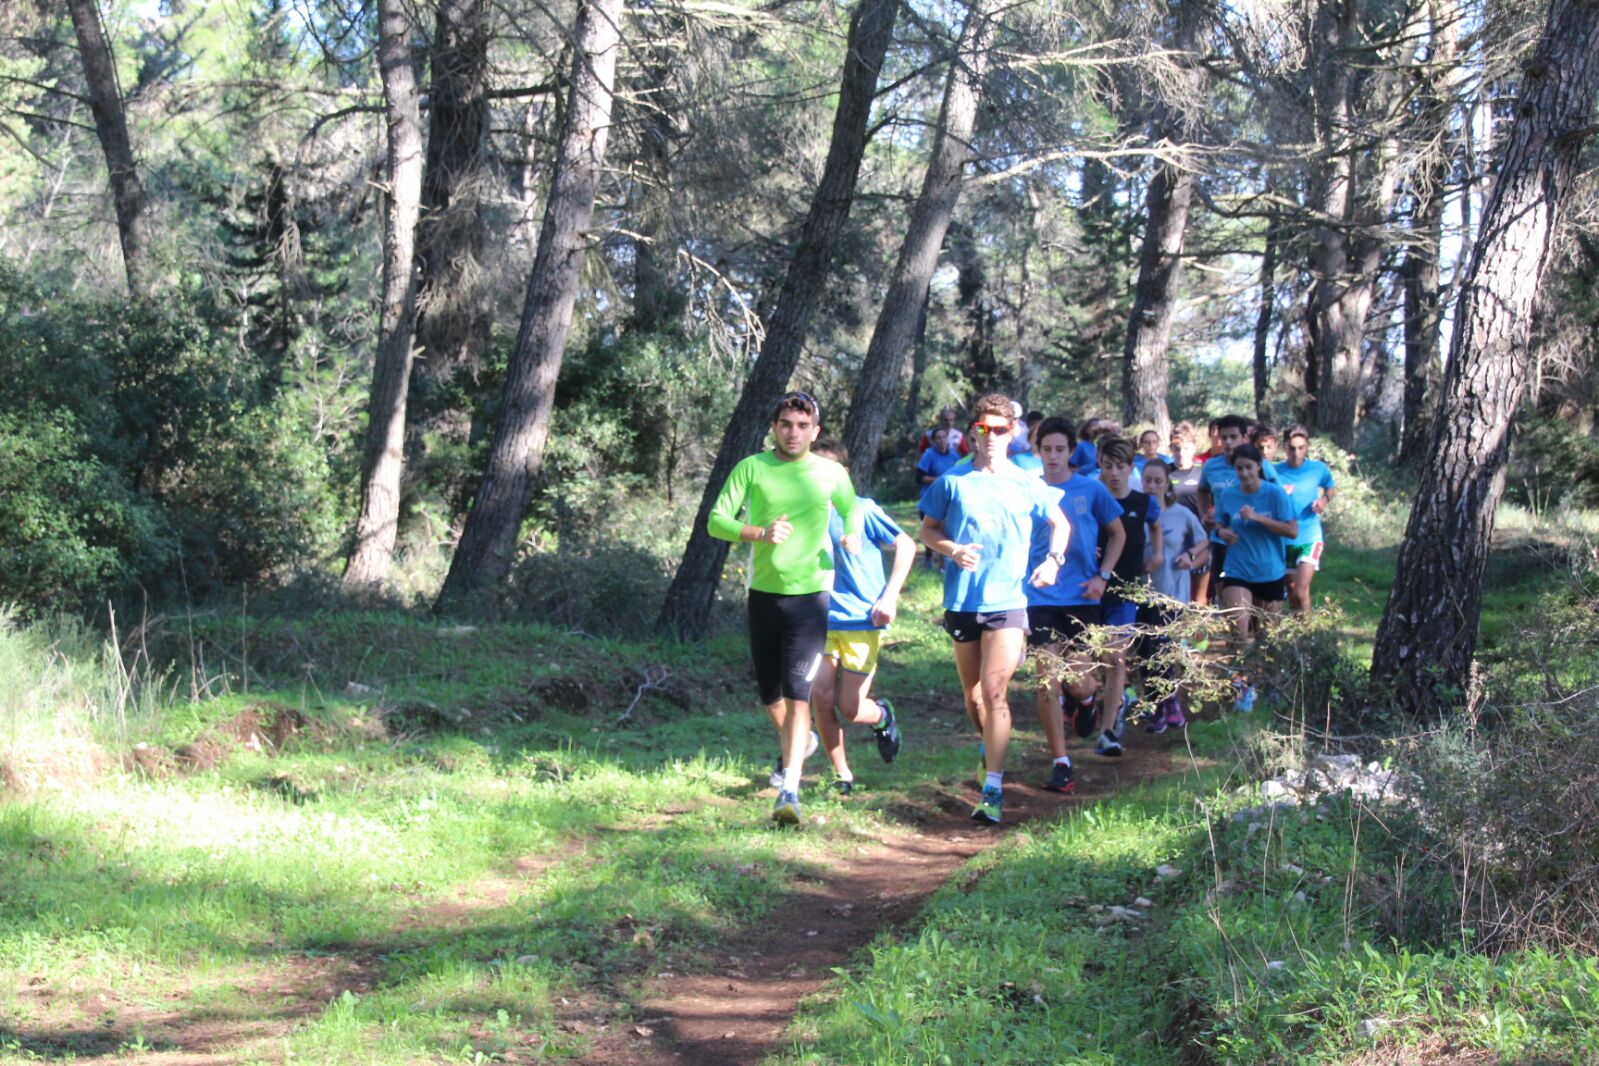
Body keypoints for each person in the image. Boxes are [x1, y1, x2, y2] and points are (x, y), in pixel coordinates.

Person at [708, 391, 863, 826]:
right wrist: (759, 532)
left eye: (802, 425)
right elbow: (716, 520)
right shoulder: (751, 468)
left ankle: (789, 791)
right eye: (786, 424)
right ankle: (803, 741)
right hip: (764, 594)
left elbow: (853, 512)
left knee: (799, 696)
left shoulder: (830, 473)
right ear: (774, 427)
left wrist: (851, 535)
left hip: (812, 595)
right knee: (769, 695)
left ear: (815, 431)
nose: (793, 432)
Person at [919, 394, 1070, 825]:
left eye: (999, 430)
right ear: (972, 434)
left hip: (1009, 601)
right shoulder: (952, 480)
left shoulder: (1026, 480)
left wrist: (1053, 561)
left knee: (994, 690)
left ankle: (993, 789)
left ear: (1012, 434)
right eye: (983, 429)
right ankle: (990, 745)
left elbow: (1060, 524)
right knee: (974, 698)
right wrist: (952, 549)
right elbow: (928, 531)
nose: (990, 437)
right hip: (963, 600)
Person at [807, 439, 914, 793]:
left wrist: (890, 595)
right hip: (820, 621)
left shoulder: (863, 509)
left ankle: (881, 715)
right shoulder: (801, 513)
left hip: (861, 621)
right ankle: (842, 774)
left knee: (850, 709)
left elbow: (906, 544)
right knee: (820, 697)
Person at [1028, 416, 1125, 792]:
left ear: (1071, 452)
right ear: (1038, 451)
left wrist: (1103, 576)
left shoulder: (1091, 489)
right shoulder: (1028, 490)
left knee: (1080, 681)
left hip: (1083, 596)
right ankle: (1061, 762)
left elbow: (1117, 534)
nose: (1053, 457)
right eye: (1046, 450)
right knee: (1046, 680)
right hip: (1039, 596)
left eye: (1059, 450)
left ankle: (1086, 702)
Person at [1094, 437, 1161, 757]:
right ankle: (1098, 702)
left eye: (1120, 467)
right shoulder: (1090, 496)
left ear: (1130, 468)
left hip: (1126, 589)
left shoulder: (1144, 502)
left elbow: (1156, 527)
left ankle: (1108, 731)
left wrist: (1157, 555)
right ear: (1099, 465)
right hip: (1088, 589)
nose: (1114, 474)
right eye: (1108, 467)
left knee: (1116, 658)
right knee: (1094, 660)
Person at [1137, 460, 1208, 732]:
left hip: (1172, 594)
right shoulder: (1134, 510)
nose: (1152, 486)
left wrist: (1189, 556)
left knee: (1162, 650)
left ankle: (1162, 707)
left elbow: (1203, 542)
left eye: (1158, 481)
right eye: (1148, 480)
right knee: (1145, 652)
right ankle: (1165, 703)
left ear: (1167, 483)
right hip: (1141, 593)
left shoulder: (1181, 514)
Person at [1215, 442, 1298, 644]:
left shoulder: (1275, 493)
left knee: (1266, 640)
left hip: (1270, 571)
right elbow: (1219, 524)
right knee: (1238, 634)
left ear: (1259, 466)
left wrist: (1258, 518)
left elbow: (1292, 531)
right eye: (1239, 468)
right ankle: (1237, 675)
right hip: (1237, 570)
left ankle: (1260, 676)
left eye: (1248, 467)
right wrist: (1222, 532)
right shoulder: (1228, 495)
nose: (1244, 473)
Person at [1194, 414, 1277, 608]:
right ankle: (1233, 636)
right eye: (1224, 438)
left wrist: (1266, 520)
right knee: (1225, 593)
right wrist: (1203, 513)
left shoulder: (1261, 465)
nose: (1228, 442)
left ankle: (1254, 633)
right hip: (1222, 538)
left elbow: (1277, 495)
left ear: (1244, 438)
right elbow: (1202, 491)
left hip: (1254, 539)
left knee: (1256, 598)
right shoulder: (1211, 466)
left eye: (1233, 437)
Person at [1276, 424, 1337, 614]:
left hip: (1309, 536)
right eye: (1291, 448)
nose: (1296, 453)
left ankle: (1309, 638)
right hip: (1284, 539)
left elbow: (1330, 487)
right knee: (1292, 593)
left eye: (1301, 448)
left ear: (1307, 446)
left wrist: (1324, 500)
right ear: (1284, 447)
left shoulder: (1318, 469)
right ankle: (1298, 638)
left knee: (1301, 592)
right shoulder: (1274, 471)